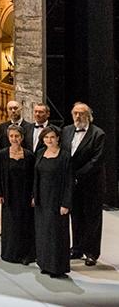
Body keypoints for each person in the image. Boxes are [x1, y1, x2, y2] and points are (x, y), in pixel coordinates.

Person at [62, 102, 106, 267]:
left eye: (81, 113)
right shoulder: (66, 130)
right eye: (75, 113)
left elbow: (96, 160)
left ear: (88, 116)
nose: (78, 116)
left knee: (92, 218)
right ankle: (77, 248)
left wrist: (77, 175)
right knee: (76, 216)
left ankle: (92, 252)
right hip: (72, 183)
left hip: (91, 184)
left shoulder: (98, 134)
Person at [34, 125, 73, 278]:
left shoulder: (65, 156)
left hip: (57, 200)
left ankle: (57, 267)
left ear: (58, 138)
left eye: (52, 137)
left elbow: (69, 181)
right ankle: (44, 263)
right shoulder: (40, 153)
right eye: (46, 137)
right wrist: (34, 195)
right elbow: (36, 177)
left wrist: (66, 203)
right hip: (42, 199)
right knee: (43, 232)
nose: (49, 140)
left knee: (56, 234)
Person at [0, 125, 35, 265]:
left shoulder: (29, 155)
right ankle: (9, 253)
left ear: (22, 137)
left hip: (24, 195)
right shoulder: (2, 154)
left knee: (24, 224)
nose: (14, 139)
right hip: (9, 195)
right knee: (10, 224)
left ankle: (24, 254)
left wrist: (33, 196)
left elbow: (33, 177)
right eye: (11, 136)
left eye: (17, 136)